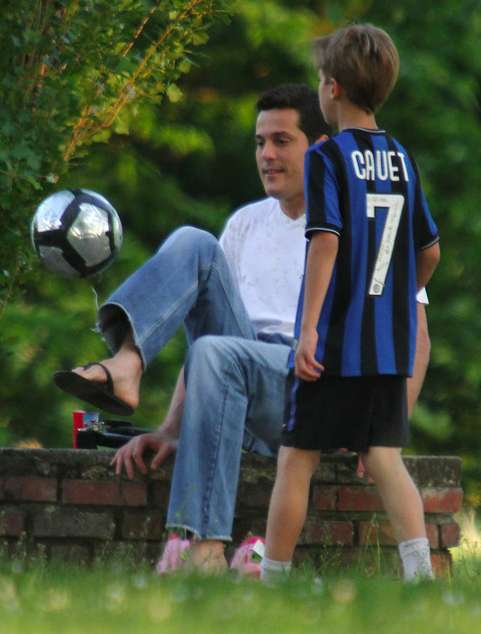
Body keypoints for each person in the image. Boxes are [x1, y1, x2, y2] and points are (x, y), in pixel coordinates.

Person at [54, 83, 432, 573]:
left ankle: (202, 546)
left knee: (215, 352)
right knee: (194, 243)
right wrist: (172, 429)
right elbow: (215, 340)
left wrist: (381, 429)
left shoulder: (363, 220)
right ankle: (128, 360)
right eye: (259, 143)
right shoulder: (246, 224)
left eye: (281, 141)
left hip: (312, 382)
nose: (267, 156)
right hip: (244, 371)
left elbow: (417, 339)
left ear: (319, 149)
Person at [261, 25, 440, 584]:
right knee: (386, 457)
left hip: (336, 342)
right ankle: (421, 576)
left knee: (297, 457)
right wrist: (399, 294)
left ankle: (273, 580)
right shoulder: (402, 159)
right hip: (388, 348)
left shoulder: (327, 157)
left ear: (332, 89)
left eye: (319, 80)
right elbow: (429, 250)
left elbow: (326, 239)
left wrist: (309, 328)